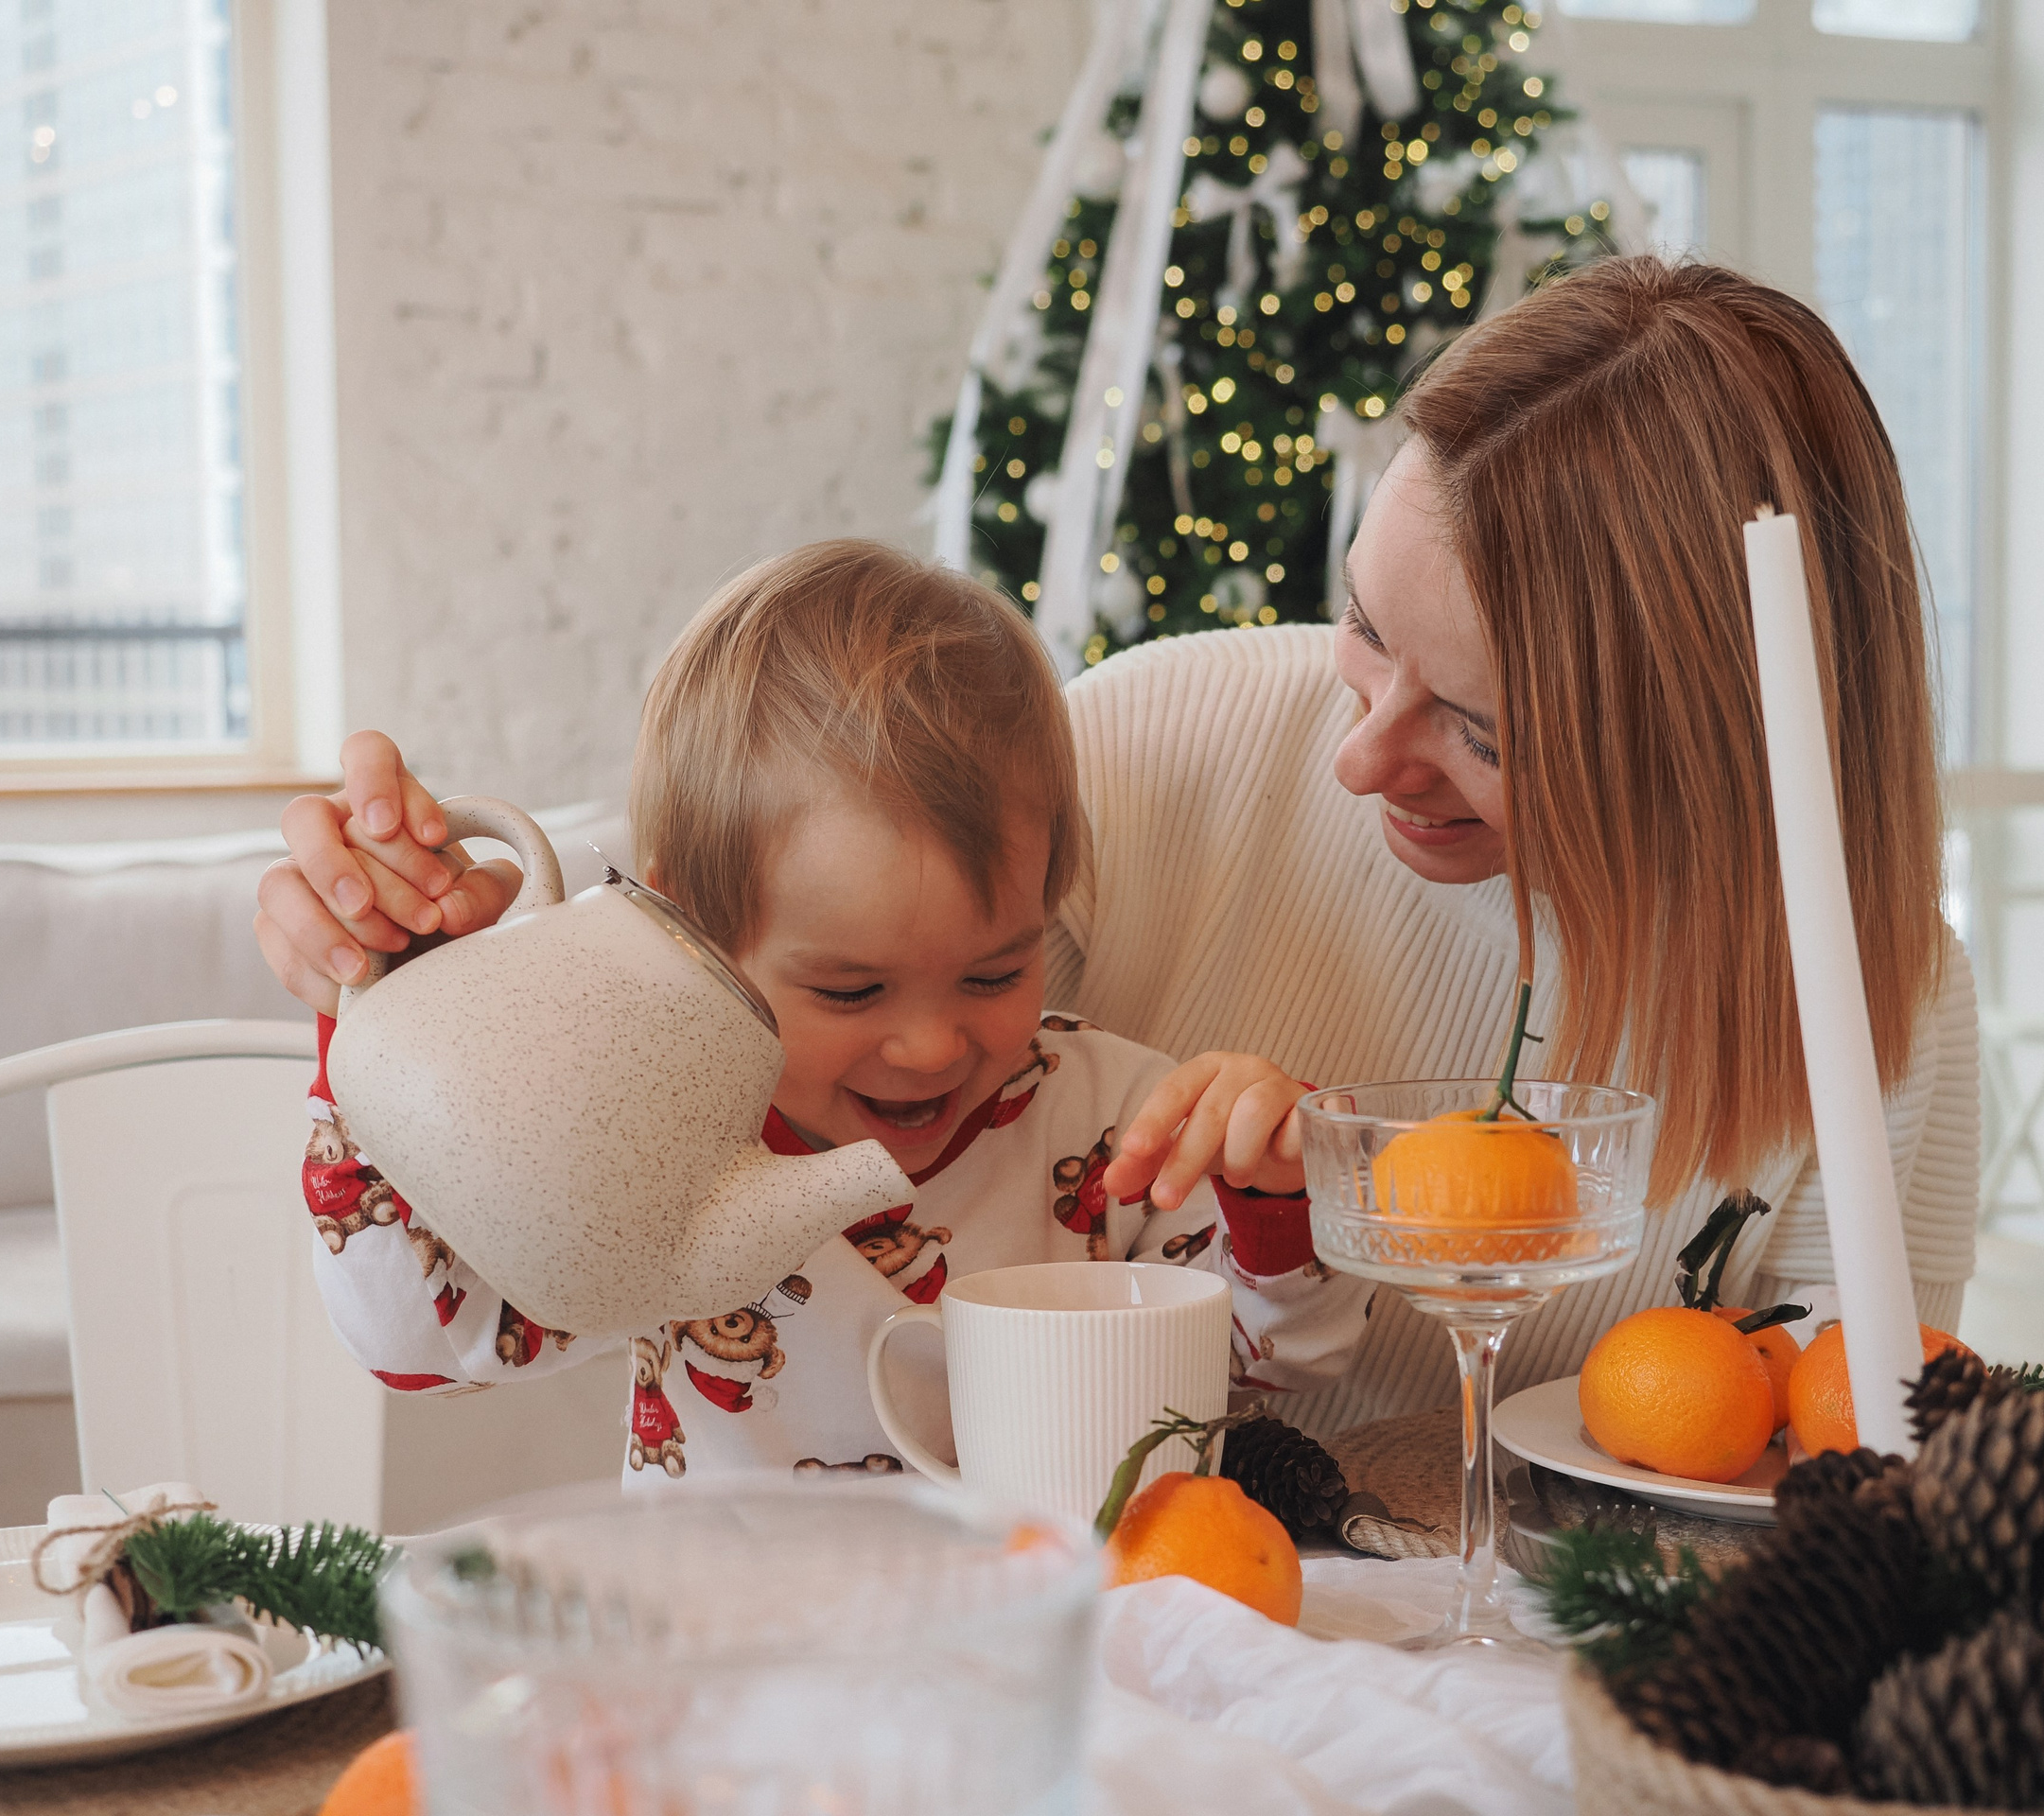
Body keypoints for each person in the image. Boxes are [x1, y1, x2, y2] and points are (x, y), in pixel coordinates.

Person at [259, 256, 1977, 1439]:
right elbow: (783, 856)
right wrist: (449, 945)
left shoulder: (1869, 1001)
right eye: (1364, 627)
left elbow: (1834, 1460)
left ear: (1708, 753)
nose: (1362, 749)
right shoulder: (1176, 739)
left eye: (1487, 730)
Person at [297, 542, 1367, 1481]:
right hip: (729, 1667)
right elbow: (424, 1345)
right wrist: (388, 1025)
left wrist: (1272, 1191)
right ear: (690, 931)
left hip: (1039, 1659)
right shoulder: (640, 1144)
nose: (933, 1046)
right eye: (851, 990)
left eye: (995, 974)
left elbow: (1284, 1364)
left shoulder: (1118, 1124)